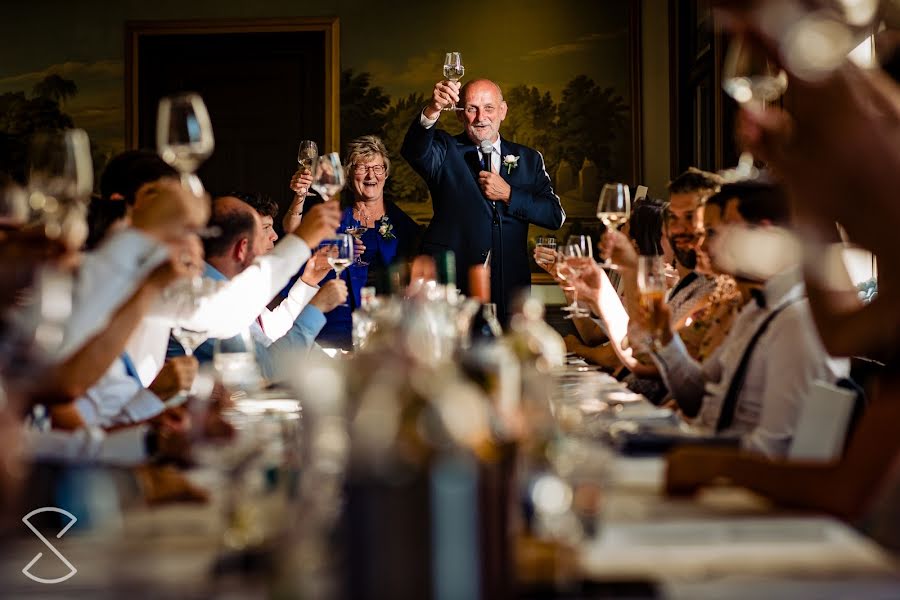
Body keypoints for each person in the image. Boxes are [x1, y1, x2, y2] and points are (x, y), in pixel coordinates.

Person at [647, 179, 849, 458]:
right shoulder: (756, 309)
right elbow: (696, 398)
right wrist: (666, 340)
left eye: (713, 233)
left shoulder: (798, 321)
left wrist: (683, 453)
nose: (701, 246)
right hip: (708, 449)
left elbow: (774, 450)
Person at [401, 78, 565, 323]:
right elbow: (414, 150)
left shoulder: (529, 159)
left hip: (511, 291)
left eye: (489, 108)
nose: (481, 117)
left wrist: (509, 194)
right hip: (453, 290)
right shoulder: (444, 149)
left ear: (503, 111)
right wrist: (432, 109)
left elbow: (554, 215)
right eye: (471, 108)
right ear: (459, 114)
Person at [285, 136, 421, 349]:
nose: (371, 176)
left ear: (385, 173)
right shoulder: (334, 216)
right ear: (349, 174)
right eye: (362, 168)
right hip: (336, 327)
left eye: (377, 168)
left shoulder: (401, 223)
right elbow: (294, 232)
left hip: (387, 328)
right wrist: (300, 196)